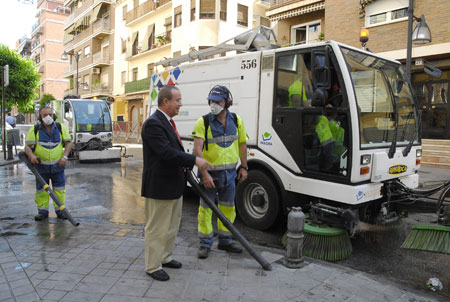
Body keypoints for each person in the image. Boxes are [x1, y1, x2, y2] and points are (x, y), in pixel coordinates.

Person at [141, 85, 211, 282]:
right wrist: (194, 160)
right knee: (157, 228)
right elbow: (166, 153)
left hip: (173, 185)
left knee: (171, 226)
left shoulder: (167, 122)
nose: (181, 104)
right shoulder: (153, 124)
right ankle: (152, 266)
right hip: (159, 187)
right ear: (166, 102)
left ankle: (164, 257)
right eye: (177, 100)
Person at [192, 85, 248, 259]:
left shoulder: (237, 120)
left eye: (218, 101)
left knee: (228, 208)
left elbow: (242, 144)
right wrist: (205, 173)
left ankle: (225, 241)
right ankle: (205, 244)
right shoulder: (203, 122)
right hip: (210, 175)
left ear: (227, 102)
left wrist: (244, 166)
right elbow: (197, 150)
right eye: (211, 101)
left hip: (230, 174)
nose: (213, 104)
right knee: (206, 210)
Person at [24, 107, 72, 221]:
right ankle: (42, 212)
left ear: (54, 115)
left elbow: (68, 143)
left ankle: (60, 211)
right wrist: (32, 156)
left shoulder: (61, 128)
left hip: (58, 166)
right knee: (41, 190)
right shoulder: (35, 130)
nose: (48, 117)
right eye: (45, 115)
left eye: (50, 114)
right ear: (40, 117)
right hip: (41, 167)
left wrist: (64, 157)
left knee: (59, 190)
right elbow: (27, 147)